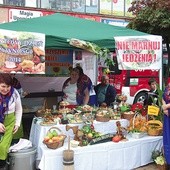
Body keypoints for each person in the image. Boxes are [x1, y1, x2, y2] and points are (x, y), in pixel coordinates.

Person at [0, 73, 22, 169]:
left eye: (8, 86)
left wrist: (17, 123)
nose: (5, 89)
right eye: (3, 86)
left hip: (10, 122)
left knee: (3, 146)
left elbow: (19, 109)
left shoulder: (15, 93)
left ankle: (2, 165)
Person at [162, 82, 170, 168]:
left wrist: (167, 106)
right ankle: (168, 161)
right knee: (167, 138)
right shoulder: (168, 86)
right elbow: (163, 97)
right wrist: (164, 106)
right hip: (167, 118)